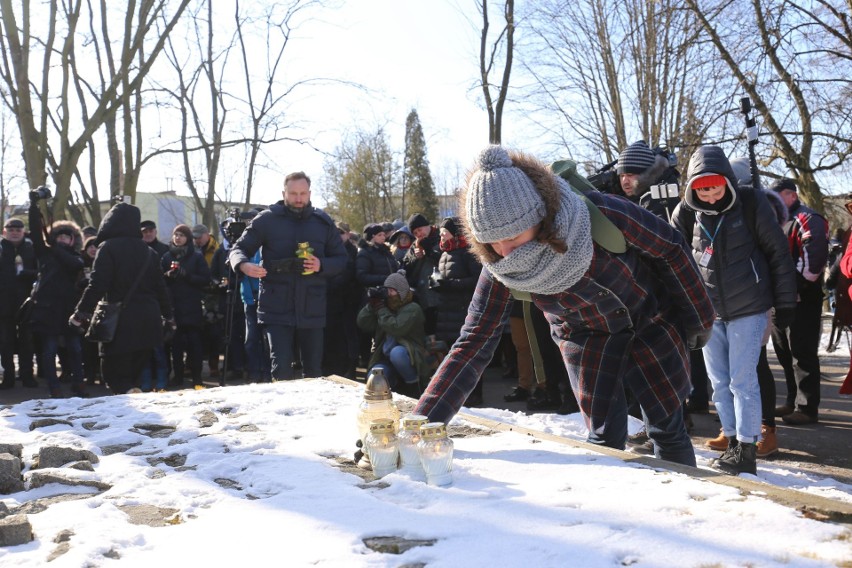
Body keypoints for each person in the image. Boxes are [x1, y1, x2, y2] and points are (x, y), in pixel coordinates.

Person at [414, 145, 715, 467]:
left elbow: (671, 248)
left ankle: (686, 506)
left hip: (650, 320)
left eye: (513, 236)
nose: (504, 251)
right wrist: (419, 426)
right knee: (603, 438)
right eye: (491, 241)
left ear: (540, 216)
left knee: (667, 428)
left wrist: (699, 317)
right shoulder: (500, 269)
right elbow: (473, 341)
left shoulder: (599, 215)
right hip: (585, 339)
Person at [671, 146, 796, 475]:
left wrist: (785, 304)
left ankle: (747, 447)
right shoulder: (686, 214)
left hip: (749, 307)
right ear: (692, 189)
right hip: (709, 312)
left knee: (743, 380)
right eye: (702, 189)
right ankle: (730, 437)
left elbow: (778, 255)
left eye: (715, 187)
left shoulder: (752, 204)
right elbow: (675, 261)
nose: (710, 196)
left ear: (726, 182)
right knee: (719, 382)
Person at [228, 171, 347, 380]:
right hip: (276, 306)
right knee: (281, 369)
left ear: (310, 193)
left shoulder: (323, 222)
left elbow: (341, 259)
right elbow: (237, 249)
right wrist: (244, 265)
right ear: (284, 193)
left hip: (312, 307)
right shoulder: (267, 220)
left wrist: (321, 264)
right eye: (293, 194)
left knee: (313, 373)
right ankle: (282, 412)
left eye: (303, 193)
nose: (298, 199)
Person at [70, 203, 174, 395]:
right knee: (133, 375)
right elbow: (161, 288)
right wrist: (169, 317)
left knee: (114, 376)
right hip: (148, 322)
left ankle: (125, 413)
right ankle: (132, 413)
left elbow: (97, 284)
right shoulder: (150, 252)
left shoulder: (107, 248)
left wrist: (80, 312)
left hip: (120, 321)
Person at [769, 178, 829, 425]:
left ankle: (807, 407)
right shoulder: (778, 220)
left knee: (802, 353)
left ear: (790, 195)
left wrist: (793, 288)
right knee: (784, 353)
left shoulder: (808, 218)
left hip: (801, 300)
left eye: (776, 197)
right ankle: (793, 401)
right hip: (779, 298)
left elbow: (813, 261)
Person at [26, 196, 86, 398]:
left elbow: (75, 265)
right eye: (59, 236)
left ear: (73, 240)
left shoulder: (76, 257)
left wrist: (56, 248)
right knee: (49, 350)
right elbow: (35, 230)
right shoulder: (44, 253)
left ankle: (79, 384)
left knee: (75, 350)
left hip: (69, 310)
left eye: (66, 237)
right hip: (48, 310)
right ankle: (54, 387)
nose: (62, 239)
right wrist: (34, 207)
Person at [357, 270, 430, 397]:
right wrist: (371, 305)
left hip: (410, 358)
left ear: (401, 292)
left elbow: (396, 328)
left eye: (392, 290)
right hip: (384, 357)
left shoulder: (413, 309)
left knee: (397, 353)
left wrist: (381, 309)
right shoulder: (385, 307)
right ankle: (393, 385)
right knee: (373, 378)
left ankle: (413, 386)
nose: (389, 294)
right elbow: (363, 323)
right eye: (387, 290)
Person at [162, 224, 211, 389]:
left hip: (192, 306)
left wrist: (187, 275)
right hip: (173, 306)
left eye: (182, 235)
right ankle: (178, 377)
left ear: (188, 238)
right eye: (176, 234)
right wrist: (167, 276)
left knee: (194, 344)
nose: (178, 238)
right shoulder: (167, 257)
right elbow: (159, 282)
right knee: (175, 346)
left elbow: (205, 279)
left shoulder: (196, 257)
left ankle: (197, 377)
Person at [0, 217, 38, 389]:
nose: (14, 232)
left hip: (27, 304)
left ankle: (27, 376)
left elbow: (41, 272)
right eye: (11, 229)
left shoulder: (31, 249)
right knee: (5, 342)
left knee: (27, 343)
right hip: (4, 304)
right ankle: (8, 377)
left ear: (23, 232)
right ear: (4, 232)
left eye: (18, 229)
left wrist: (28, 273)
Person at [322, 221, 361, 379]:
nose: (338, 236)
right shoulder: (327, 250)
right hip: (330, 302)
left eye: (341, 233)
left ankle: (350, 368)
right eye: (335, 232)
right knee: (331, 337)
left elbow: (350, 275)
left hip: (349, 302)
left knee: (349, 337)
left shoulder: (353, 252)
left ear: (348, 234)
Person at [401, 213, 442, 335]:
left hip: (440, 291)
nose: (419, 234)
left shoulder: (442, 237)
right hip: (423, 295)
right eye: (415, 233)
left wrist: (428, 252)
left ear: (427, 225)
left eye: (420, 230)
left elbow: (446, 262)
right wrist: (415, 257)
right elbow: (405, 265)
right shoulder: (415, 245)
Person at [192, 223, 222, 379]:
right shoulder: (192, 250)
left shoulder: (217, 249)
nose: (197, 240)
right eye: (194, 238)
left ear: (207, 235)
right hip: (197, 293)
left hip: (213, 295)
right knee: (197, 332)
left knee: (214, 333)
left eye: (199, 237)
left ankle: (214, 364)